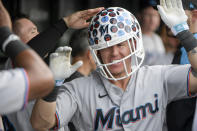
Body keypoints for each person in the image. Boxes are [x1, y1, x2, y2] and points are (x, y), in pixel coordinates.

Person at [30, 0, 197, 130]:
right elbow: (41, 124)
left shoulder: (158, 76)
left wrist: (183, 32)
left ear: (133, 44)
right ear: (95, 52)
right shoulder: (78, 89)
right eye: (106, 47)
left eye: (120, 44)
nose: (115, 53)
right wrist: (54, 86)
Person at [3, 7, 104, 131]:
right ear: (15, 41)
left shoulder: (40, 66)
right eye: (32, 32)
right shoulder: (12, 65)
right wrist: (65, 23)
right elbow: (33, 49)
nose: (40, 36)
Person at [165, 1, 197, 131]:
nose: (167, 17)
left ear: (195, 15)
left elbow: (182, 105)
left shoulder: (188, 48)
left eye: (177, 11)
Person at [138, 0, 165, 65]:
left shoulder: (158, 38)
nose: (152, 20)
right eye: (148, 15)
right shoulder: (135, 39)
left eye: (156, 15)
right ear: (140, 16)